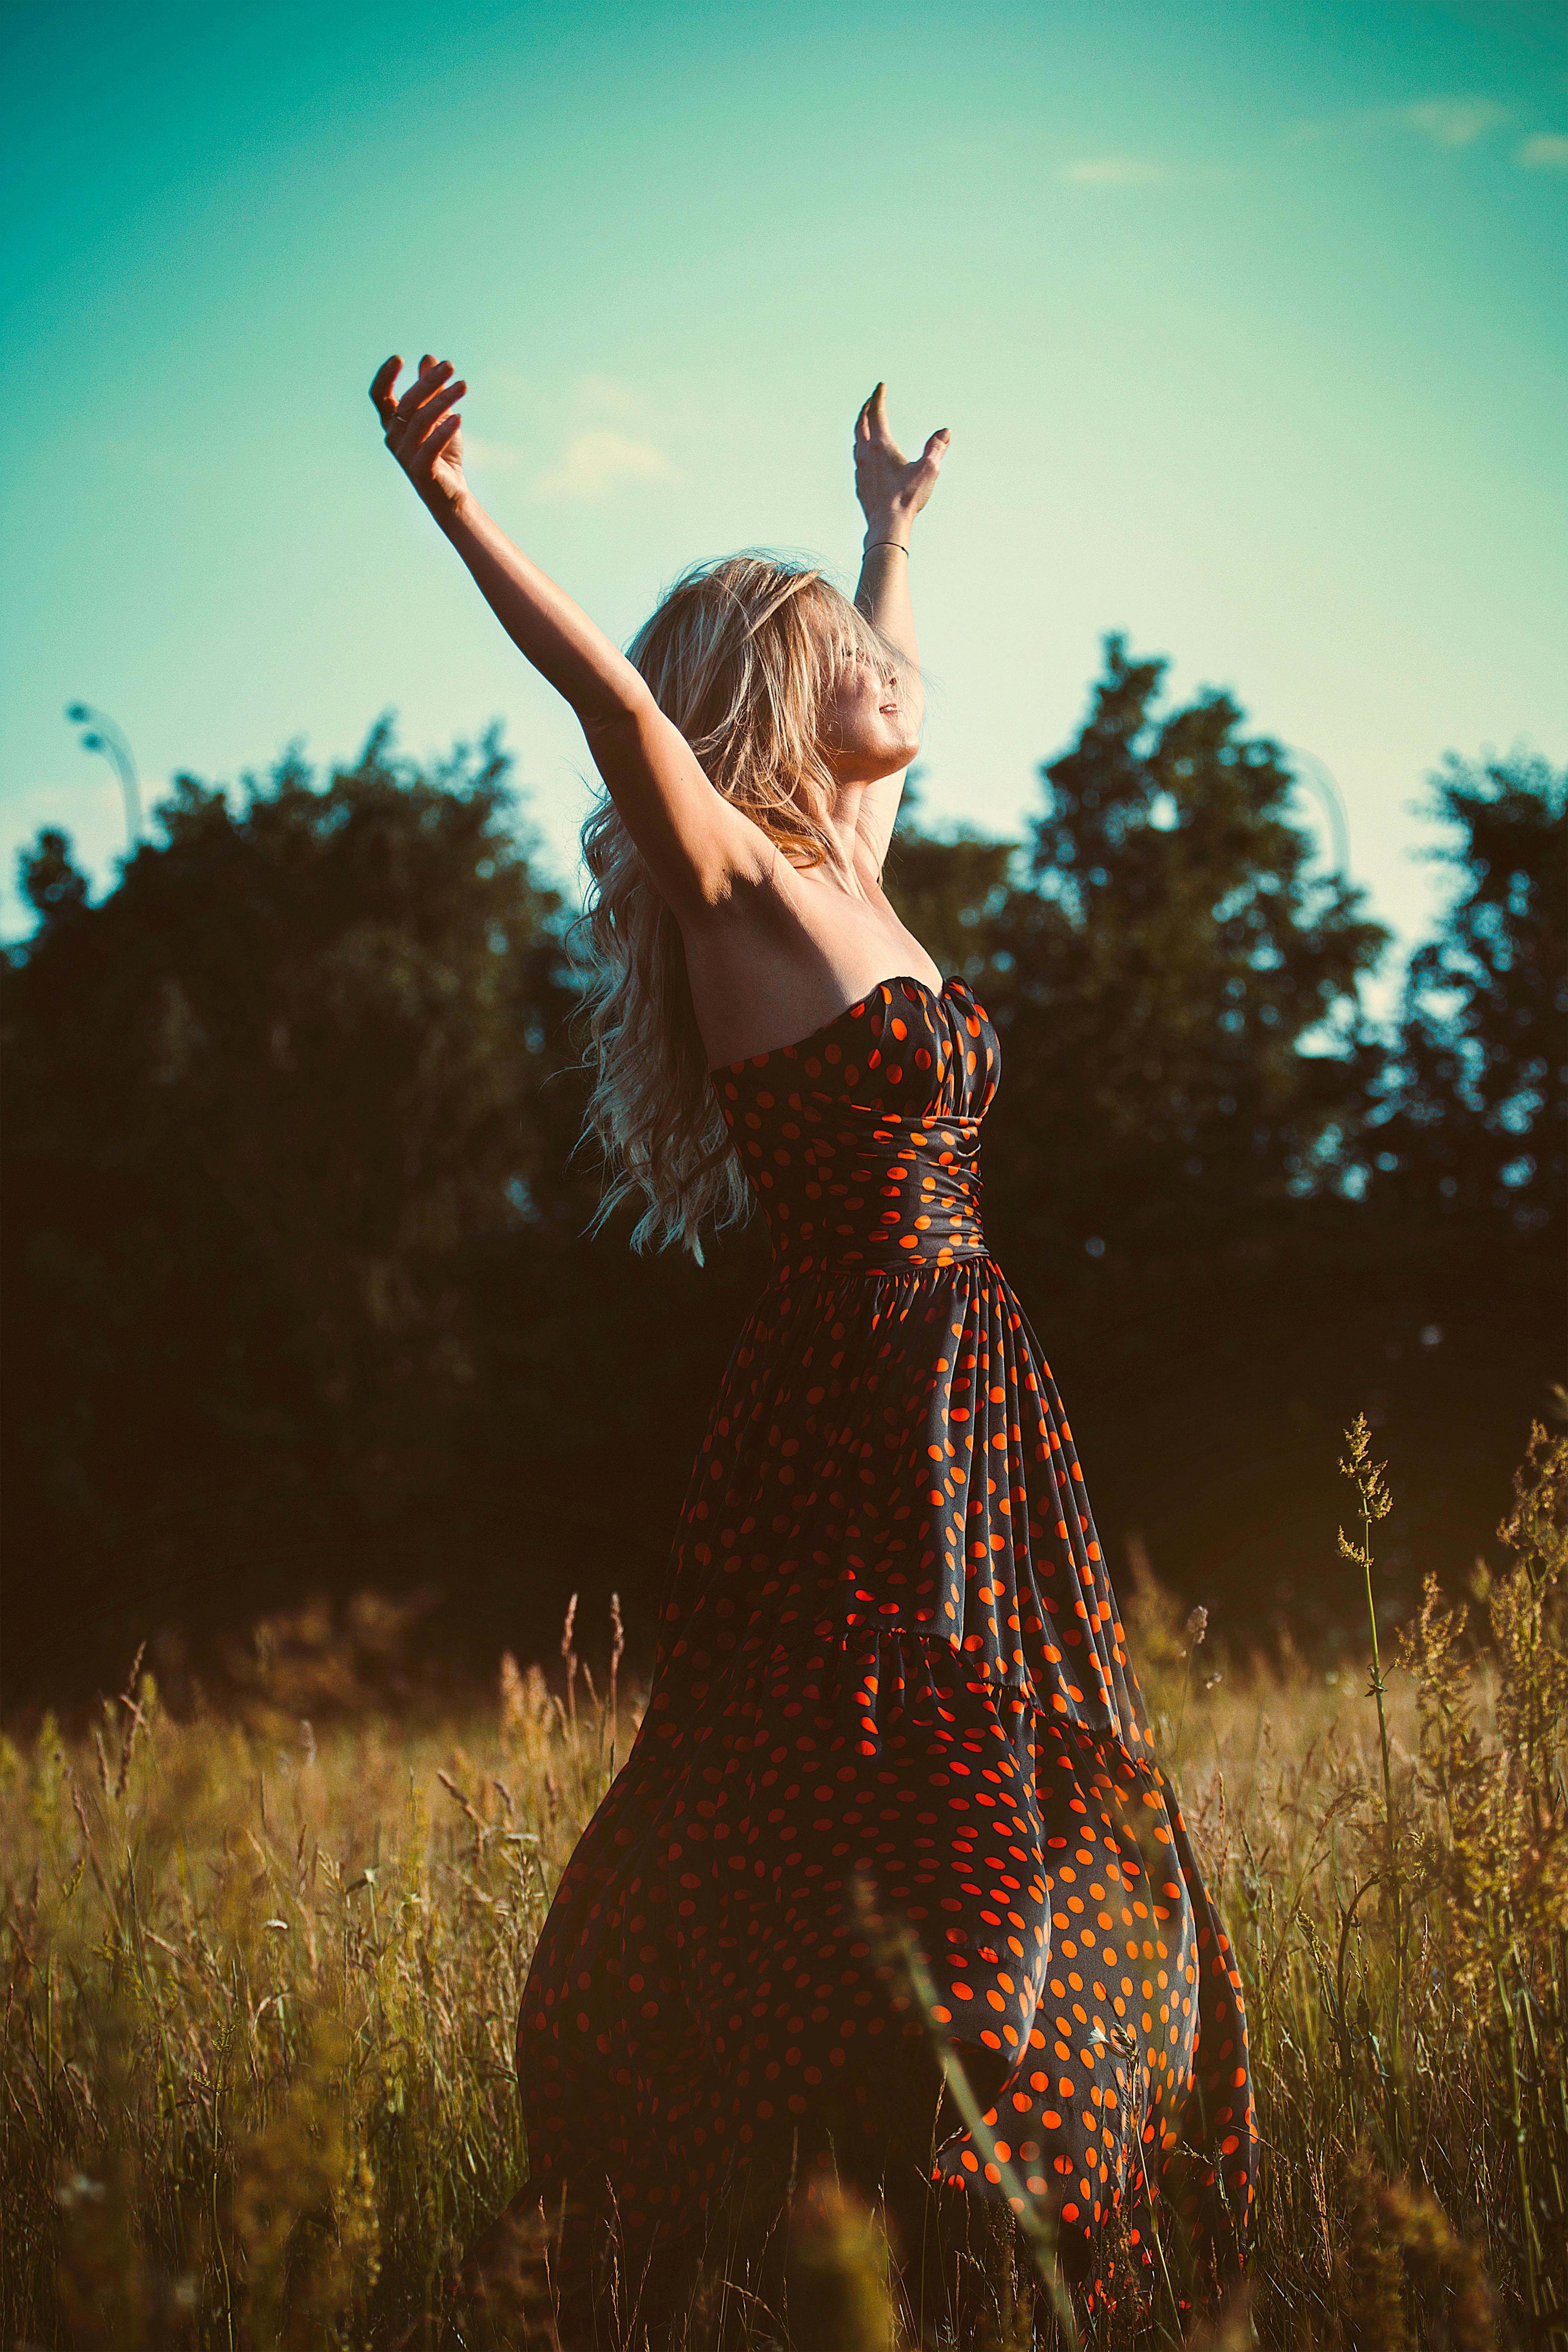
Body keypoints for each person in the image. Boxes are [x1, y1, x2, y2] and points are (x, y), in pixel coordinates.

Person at [370, 354, 1256, 2327]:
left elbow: (904, 709)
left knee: (1018, 1758)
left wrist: (888, 533)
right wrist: (454, 510)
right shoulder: (742, 886)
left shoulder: (860, 869)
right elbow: (612, 699)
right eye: (847, 644)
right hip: (856, 1378)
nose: (888, 666)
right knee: (854, 1763)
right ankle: (792, 2159)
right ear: (777, 693)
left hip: (971, 1382)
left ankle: (983, 2153)